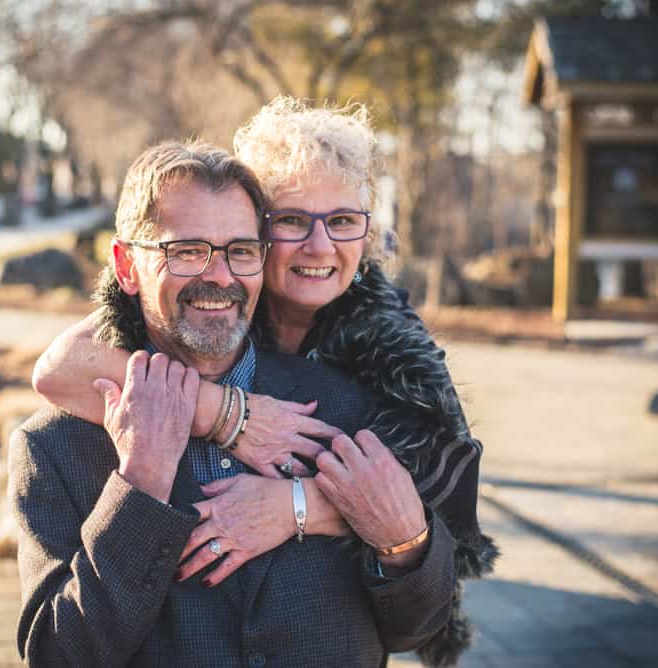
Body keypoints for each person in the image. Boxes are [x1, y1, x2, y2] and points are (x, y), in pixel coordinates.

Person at [33, 98, 496, 666]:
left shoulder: (373, 375)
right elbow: (56, 368)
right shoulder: (58, 439)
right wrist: (215, 417)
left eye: (344, 220)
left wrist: (303, 504)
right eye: (293, 220)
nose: (319, 246)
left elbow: (435, 521)